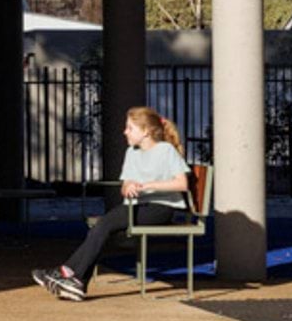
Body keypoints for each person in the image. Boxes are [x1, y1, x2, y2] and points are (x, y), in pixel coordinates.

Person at [32, 106, 191, 300]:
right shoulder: (131, 152)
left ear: (146, 132)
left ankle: (70, 274)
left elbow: (181, 184)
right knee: (103, 226)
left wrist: (147, 186)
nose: (125, 132)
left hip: (160, 208)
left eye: (130, 128)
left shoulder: (165, 150)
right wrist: (129, 186)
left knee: (104, 224)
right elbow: (125, 185)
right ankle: (75, 279)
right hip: (136, 206)